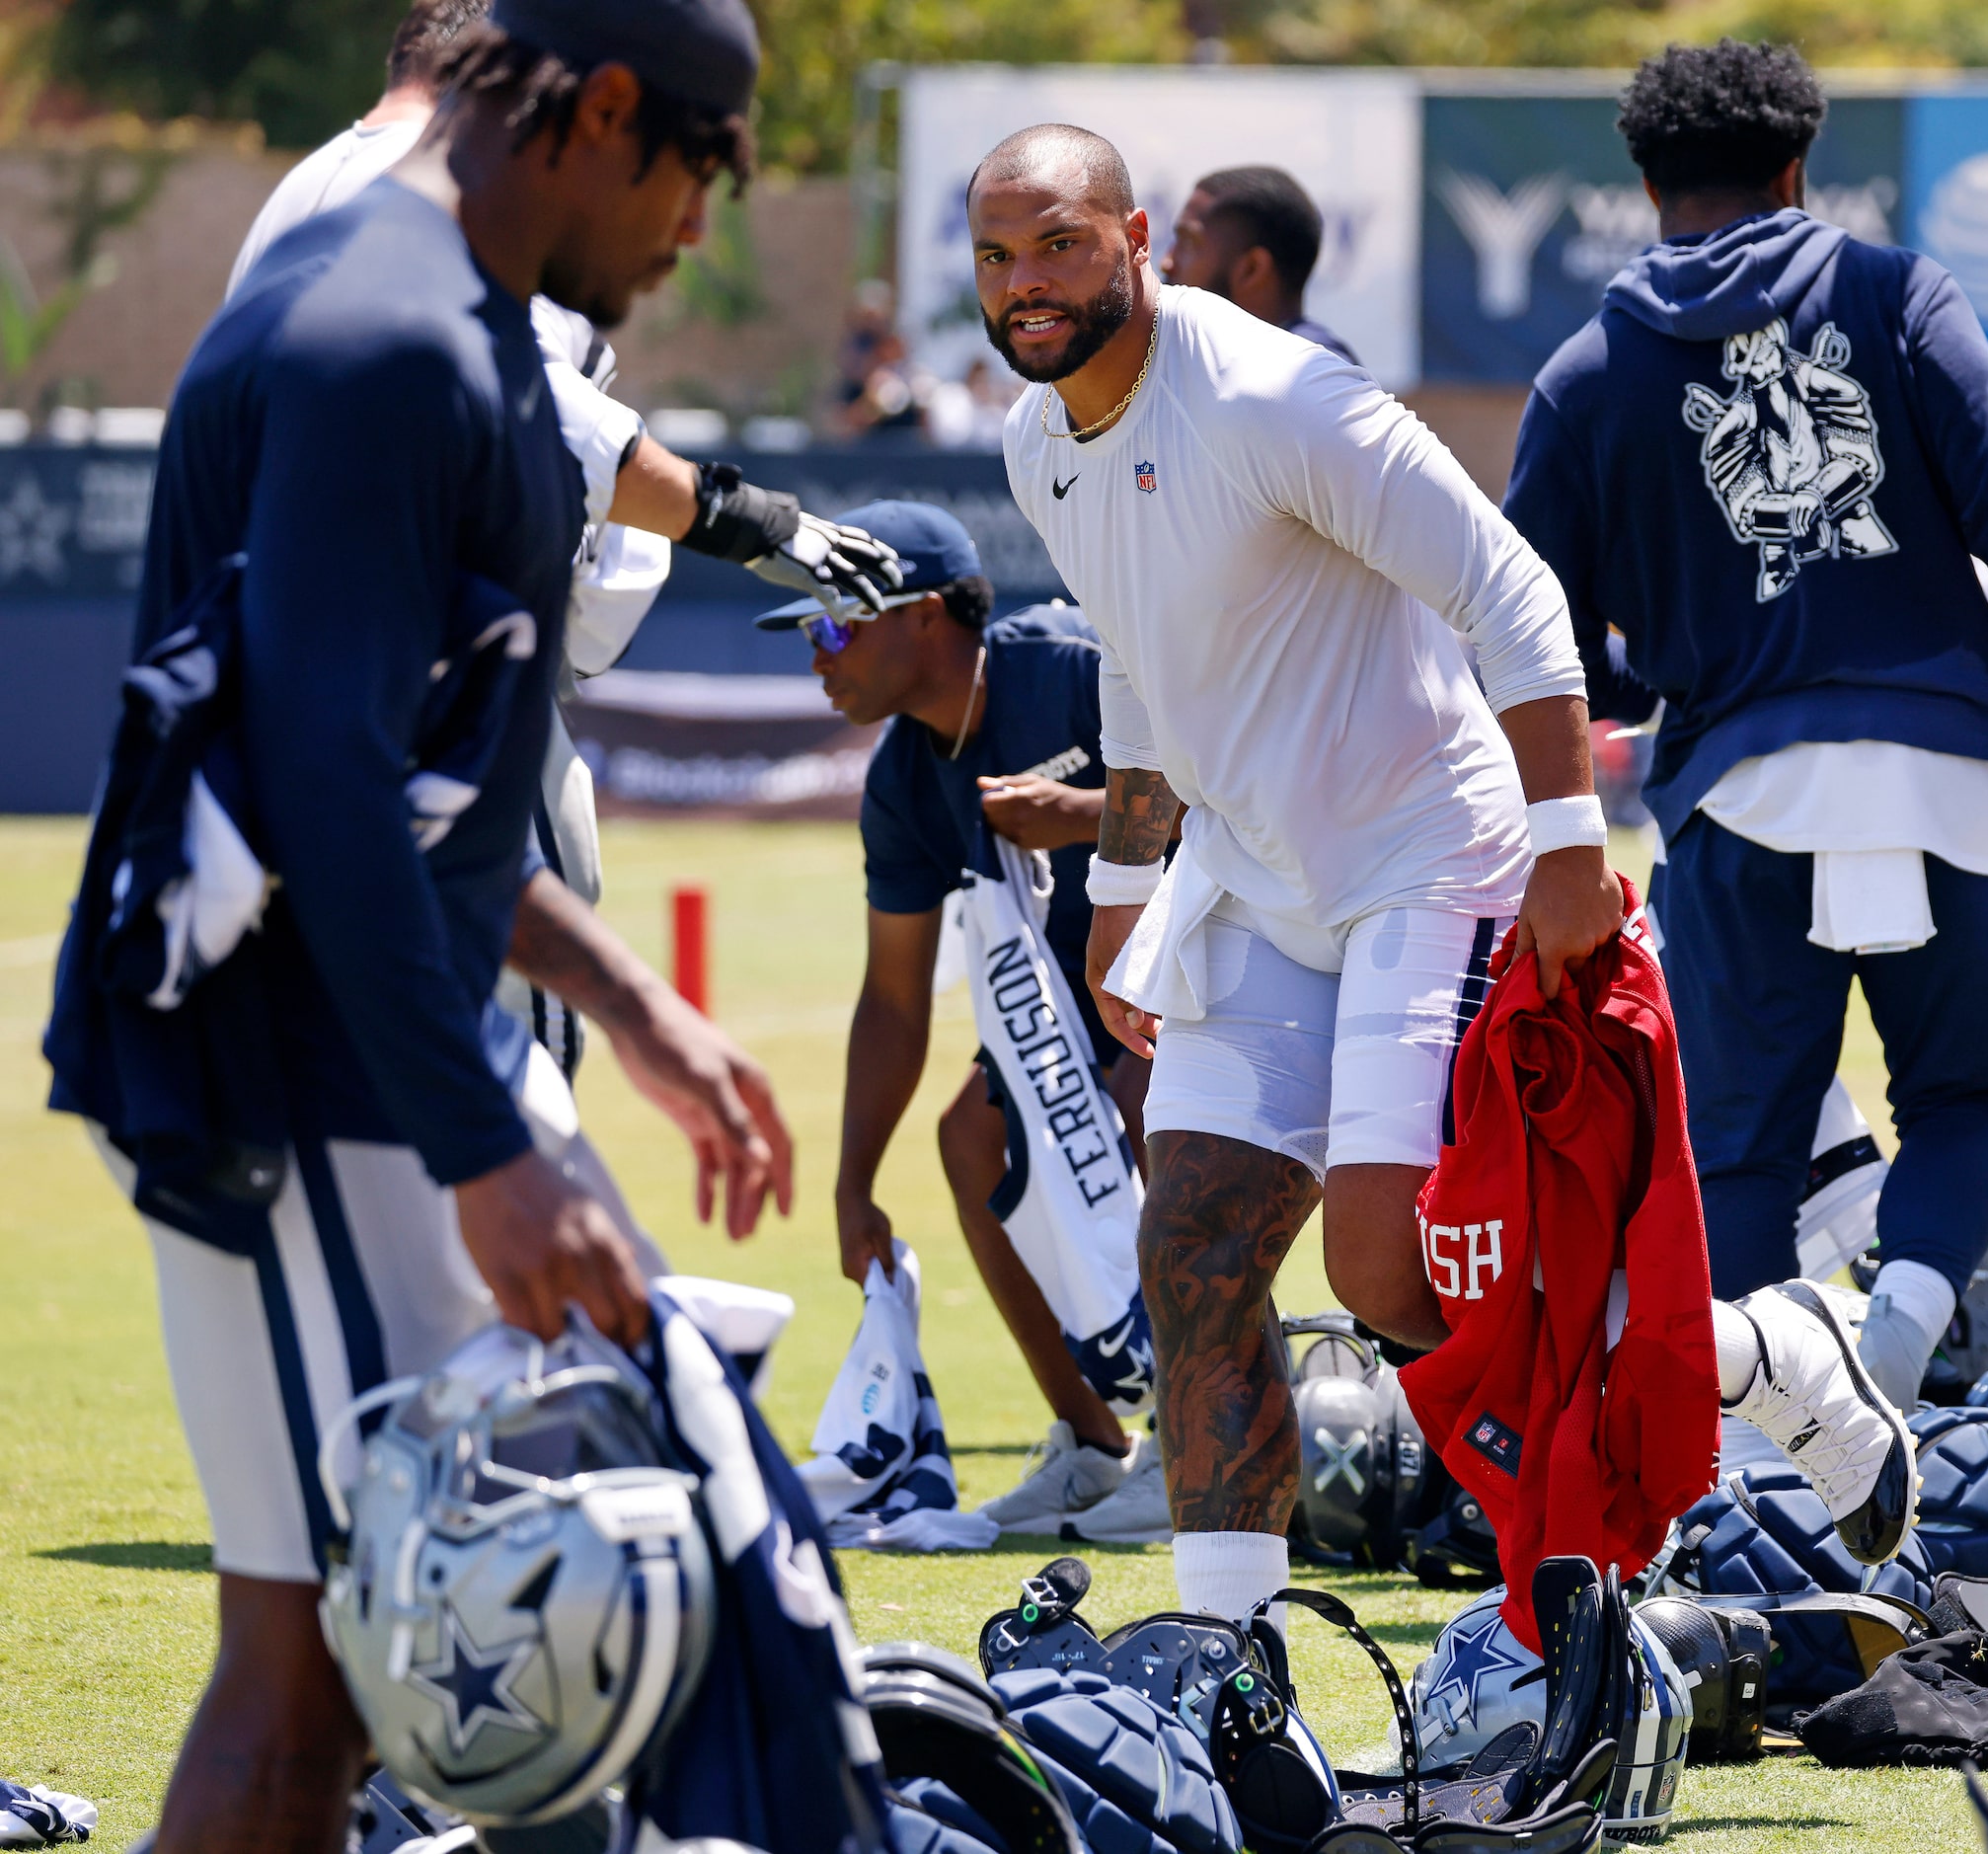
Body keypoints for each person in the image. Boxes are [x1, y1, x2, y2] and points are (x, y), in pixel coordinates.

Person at [972, 120, 1916, 1631]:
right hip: (1255, 885)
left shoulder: (1273, 391)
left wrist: (1564, 848)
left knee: (1395, 1272)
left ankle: (1764, 1357)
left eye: (1060, 243)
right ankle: (1222, 1668)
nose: (1026, 284)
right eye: (997, 256)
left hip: (1432, 856)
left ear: (1137, 238)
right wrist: (1121, 890)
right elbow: (1138, 677)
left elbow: (1512, 589)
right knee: (1193, 1250)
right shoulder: (1036, 444)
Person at [40, 5, 780, 1849]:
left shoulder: (465, 317)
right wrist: (484, 1145)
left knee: (371, 1679)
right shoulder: (382, 323)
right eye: (711, 162)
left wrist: (628, 997)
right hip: (291, 1063)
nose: (703, 225)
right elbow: (315, 772)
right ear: (608, 113)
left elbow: (416, 775)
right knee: (316, 1677)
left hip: (388, 1042)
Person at [1500, 41, 1988, 1406]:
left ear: (1645, 185)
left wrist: (1655, 684)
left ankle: (1789, 1448)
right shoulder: (1898, 293)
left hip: (1733, 796)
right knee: (1960, 1106)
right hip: (1950, 778)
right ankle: (1889, 1359)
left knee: (1738, 1152)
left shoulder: (1585, 370)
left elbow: (1523, 629)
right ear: (1793, 171)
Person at [226, 0, 899, 1094]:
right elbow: (544, 415)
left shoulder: (316, 192)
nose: (687, 231)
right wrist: (760, 522)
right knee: (513, 1094)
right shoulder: (437, 214)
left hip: (306, 747)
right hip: (430, 714)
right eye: (683, 170)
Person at [776, 498, 1168, 1541]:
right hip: (1092, 995)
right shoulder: (903, 777)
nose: (818, 654)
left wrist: (1086, 816)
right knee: (969, 1137)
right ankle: (1093, 1447)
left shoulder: (1071, 666)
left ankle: (1207, 1432)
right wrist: (854, 1186)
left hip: (1220, 961)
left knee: (1147, 1097)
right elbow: (895, 1000)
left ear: (929, 615)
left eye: (834, 622)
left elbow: (1233, 790)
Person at [1160, 164, 1360, 362]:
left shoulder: (1313, 371)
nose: (1166, 262)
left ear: (1252, 269)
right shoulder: (1214, 363)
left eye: (1187, 243)